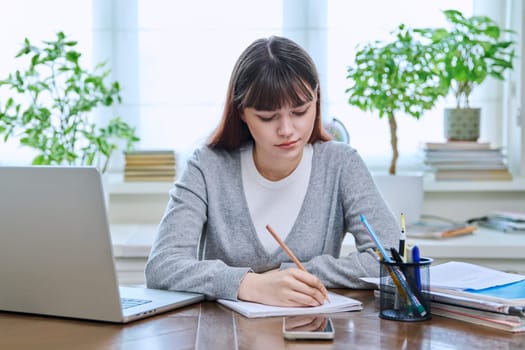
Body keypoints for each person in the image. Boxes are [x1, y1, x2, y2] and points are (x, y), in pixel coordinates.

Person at [145, 36, 399, 307]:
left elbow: (393, 257)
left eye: (300, 111)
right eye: (267, 117)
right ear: (241, 112)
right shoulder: (208, 165)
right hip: (222, 335)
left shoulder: (340, 164)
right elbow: (162, 265)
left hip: (309, 331)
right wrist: (249, 284)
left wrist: (291, 276)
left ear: (317, 100)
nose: (287, 130)